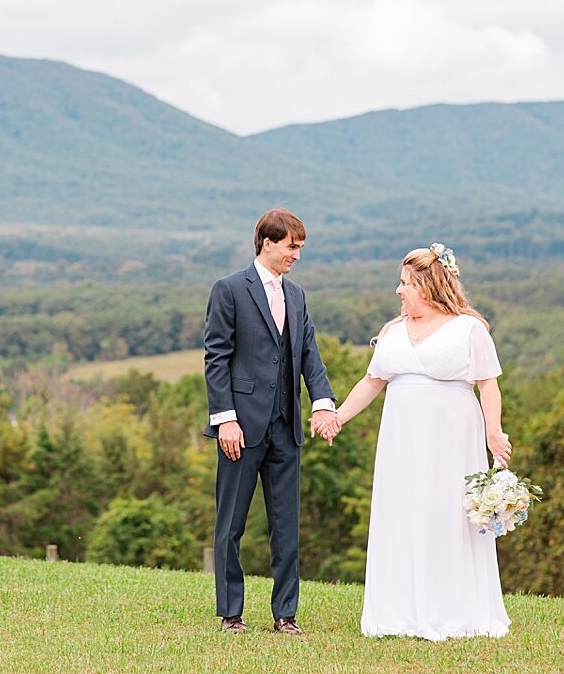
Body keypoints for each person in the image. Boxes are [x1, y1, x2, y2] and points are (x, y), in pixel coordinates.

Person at [327, 243, 512, 640]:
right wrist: (339, 416)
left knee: (445, 513)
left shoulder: (469, 329)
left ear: (428, 286)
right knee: (403, 511)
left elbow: (488, 384)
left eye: (406, 282)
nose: (399, 290)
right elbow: (372, 381)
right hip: (401, 440)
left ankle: (453, 611)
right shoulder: (392, 332)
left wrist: (494, 432)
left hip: (451, 439)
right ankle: (399, 612)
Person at [203, 208, 341, 635]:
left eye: (299, 247)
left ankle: (286, 615)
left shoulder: (296, 295)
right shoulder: (228, 289)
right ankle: (231, 615)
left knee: (286, 526)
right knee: (231, 525)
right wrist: (225, 419)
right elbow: (216, 357)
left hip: (287, 427)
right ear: (268, 243)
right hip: (240, 428)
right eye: (292, 246)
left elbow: (309, 355)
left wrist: (323, 402)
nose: (297, 255)